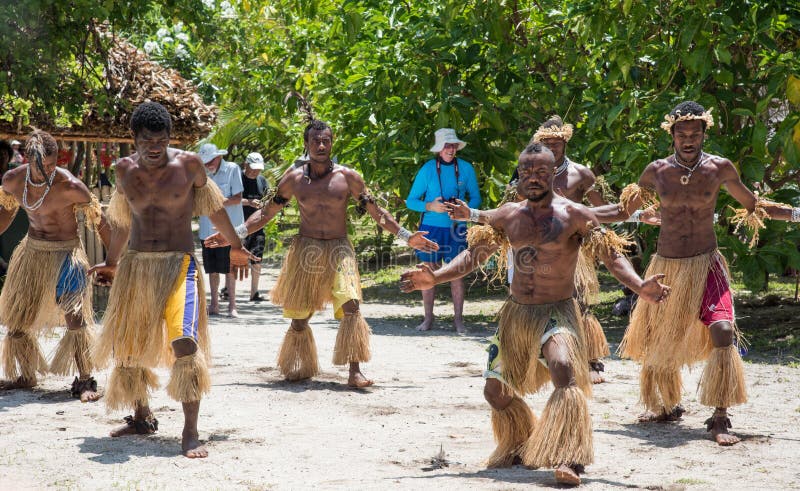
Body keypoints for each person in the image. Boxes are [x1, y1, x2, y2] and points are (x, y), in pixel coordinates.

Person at [401, 143, 669, 485]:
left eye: (541, 172)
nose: (533, 178)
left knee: (563, 369)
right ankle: (521, 443)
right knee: (495, 394)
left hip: (557, 310)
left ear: (552, 173)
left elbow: (610, 255)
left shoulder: (574, 214)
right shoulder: (508, 215)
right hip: (517, 315)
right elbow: (473, 256)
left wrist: (639, 285)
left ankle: (572, 457)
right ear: (519, 175)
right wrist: (436, 277)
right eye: (526, 172)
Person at [589, 100, 795, 445]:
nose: (688, 139)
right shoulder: (655, 171)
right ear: (672, 134)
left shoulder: (720, 168)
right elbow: (624, 211)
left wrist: (796, 214)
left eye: (694, 133)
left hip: (705, 263)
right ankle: (665, 405)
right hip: (667, 265)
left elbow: (754, 206)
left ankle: (720, 415)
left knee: (723, 328)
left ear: (703, 133)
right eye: (682, 133)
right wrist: (576, 212)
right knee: (660, 340)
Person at [205, 119, 438, 388]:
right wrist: (233, 234)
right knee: (300, 317)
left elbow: (378, 213)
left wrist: (407, 237)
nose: (321, 145)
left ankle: (354, 370)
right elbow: (266, 213)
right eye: (315, 141)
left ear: (332, 142)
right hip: (307, 250)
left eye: (326, 140)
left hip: (339, 249)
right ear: (306, 145)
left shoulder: (348, 177)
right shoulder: (293, 180)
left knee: (351, 305)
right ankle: (299, 364)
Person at [89, 101, 252, 458]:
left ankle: (190, 431)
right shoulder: (123, 170)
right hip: (135, 265)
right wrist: (111, 262)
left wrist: (235, 246)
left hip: (179, 265)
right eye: (147, 141)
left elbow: (214, 209)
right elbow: (120, 222)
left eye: (161, 141)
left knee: (184, 341)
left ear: (169, 138)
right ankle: (141, 416)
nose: (154, 148)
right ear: (135, 139)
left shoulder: (189, 165)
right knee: (128, 346)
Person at [0, 130, 104, 402]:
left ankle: (85, 379)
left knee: (74, 315)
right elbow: (7, 212)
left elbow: (99, 221)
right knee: (17, 315)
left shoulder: (70, 186)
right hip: (32, 251)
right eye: (42, 165)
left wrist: (114, 258)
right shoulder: (13, 180)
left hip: (66, 252)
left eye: (52, 164)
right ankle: (25, 375)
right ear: (27, 159)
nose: (49, 170)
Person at [405, 128, 481, 333]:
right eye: (447, 145)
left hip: (457, 230)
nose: (451, 149)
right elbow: (411, 201)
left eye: (454, 145)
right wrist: (430, 206)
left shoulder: (465, 168)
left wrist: (464, 211)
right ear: (439, 149)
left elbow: (476, 198)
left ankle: (458, 321)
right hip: (430, 230)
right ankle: (428, 319)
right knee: (427, 272)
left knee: (457, 274)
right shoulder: (428, 169)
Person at [197, 142, 245, 317]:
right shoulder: (201, 174)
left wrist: (213, 203)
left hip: (229, 229)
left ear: (218, 157)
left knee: (230, 267)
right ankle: (214, 304)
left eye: (210, 161)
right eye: (205, 162)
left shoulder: (232, 169)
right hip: (206, 229)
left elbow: (237, 198)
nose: (208, 165)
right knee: (212, 269)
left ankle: (232, 305)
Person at [240, 152, 269, 302]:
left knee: (257, 257)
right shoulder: (238, 177)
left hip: (258, 226)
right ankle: (227, 289)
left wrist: (262, 204)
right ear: (246, 165)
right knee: (235, 257)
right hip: (238, 225)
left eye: (258, 169)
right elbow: (231, 199)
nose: (255, 171)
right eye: (253, 168)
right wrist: (249, 202)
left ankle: (254, 292)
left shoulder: (262, 181)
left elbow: (268, 200)